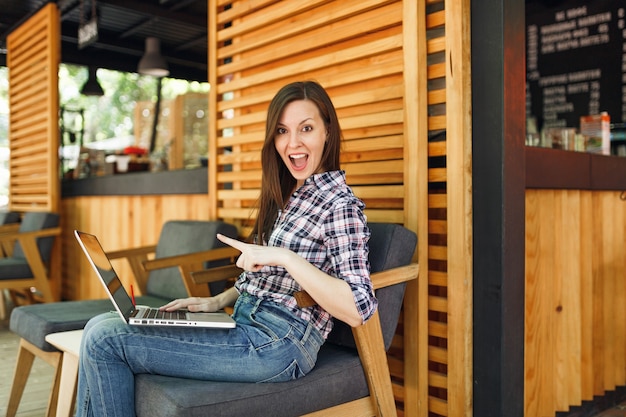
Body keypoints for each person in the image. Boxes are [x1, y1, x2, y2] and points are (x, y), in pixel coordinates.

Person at [75, 80, 377, 416]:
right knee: (99, 326)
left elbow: (357, 306)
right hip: (245, 321)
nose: (293, 143)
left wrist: (284, 256)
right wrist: (217, 301)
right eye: (281, 131)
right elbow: (268, 278)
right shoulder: (290, 195)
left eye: (306, 128)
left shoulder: (339, 205)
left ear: (327, 132)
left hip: (279, 344)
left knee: (105, 340)